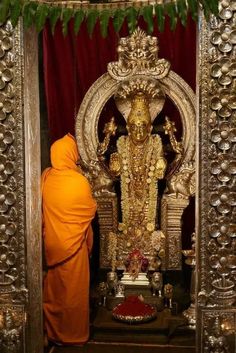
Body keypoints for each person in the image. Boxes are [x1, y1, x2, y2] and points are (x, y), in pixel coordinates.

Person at [41, 133, 97, 346]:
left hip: (52, 248)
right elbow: (89, 210)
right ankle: (74, 336)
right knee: (74, 295)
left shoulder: (45, 179)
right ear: (71, 155)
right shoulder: (79, 181)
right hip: (75, 249)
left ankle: (53, 333)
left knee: (55, 294)